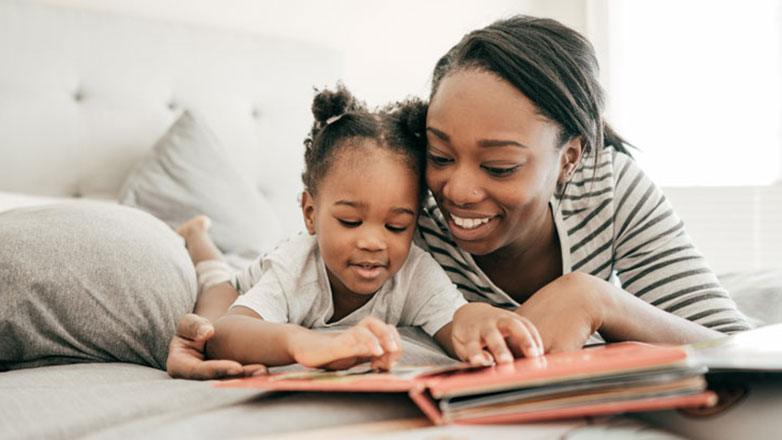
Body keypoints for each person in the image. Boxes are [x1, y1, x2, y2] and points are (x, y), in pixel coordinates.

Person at [167, 15, 750, 379]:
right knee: (223, 268)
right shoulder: (401, 212)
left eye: (499, 165)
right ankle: (199, 238)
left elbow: (740, 348)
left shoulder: (612, 188)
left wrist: (599, 300)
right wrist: (207, 329)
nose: (456, 191)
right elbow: (289, 286)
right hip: (255, 269)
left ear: (570, 158)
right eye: (440, 156)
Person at [167, 85, 543, 378]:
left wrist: (482, 319)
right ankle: (198, 235)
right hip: (243, 283)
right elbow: (230, 332)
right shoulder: (293, 268)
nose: (373, 242)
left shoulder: (415, 271)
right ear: (311, 214)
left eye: (397, 226)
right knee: (215, 284)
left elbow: (455, 318)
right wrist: (304, 343)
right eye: (350, 221)